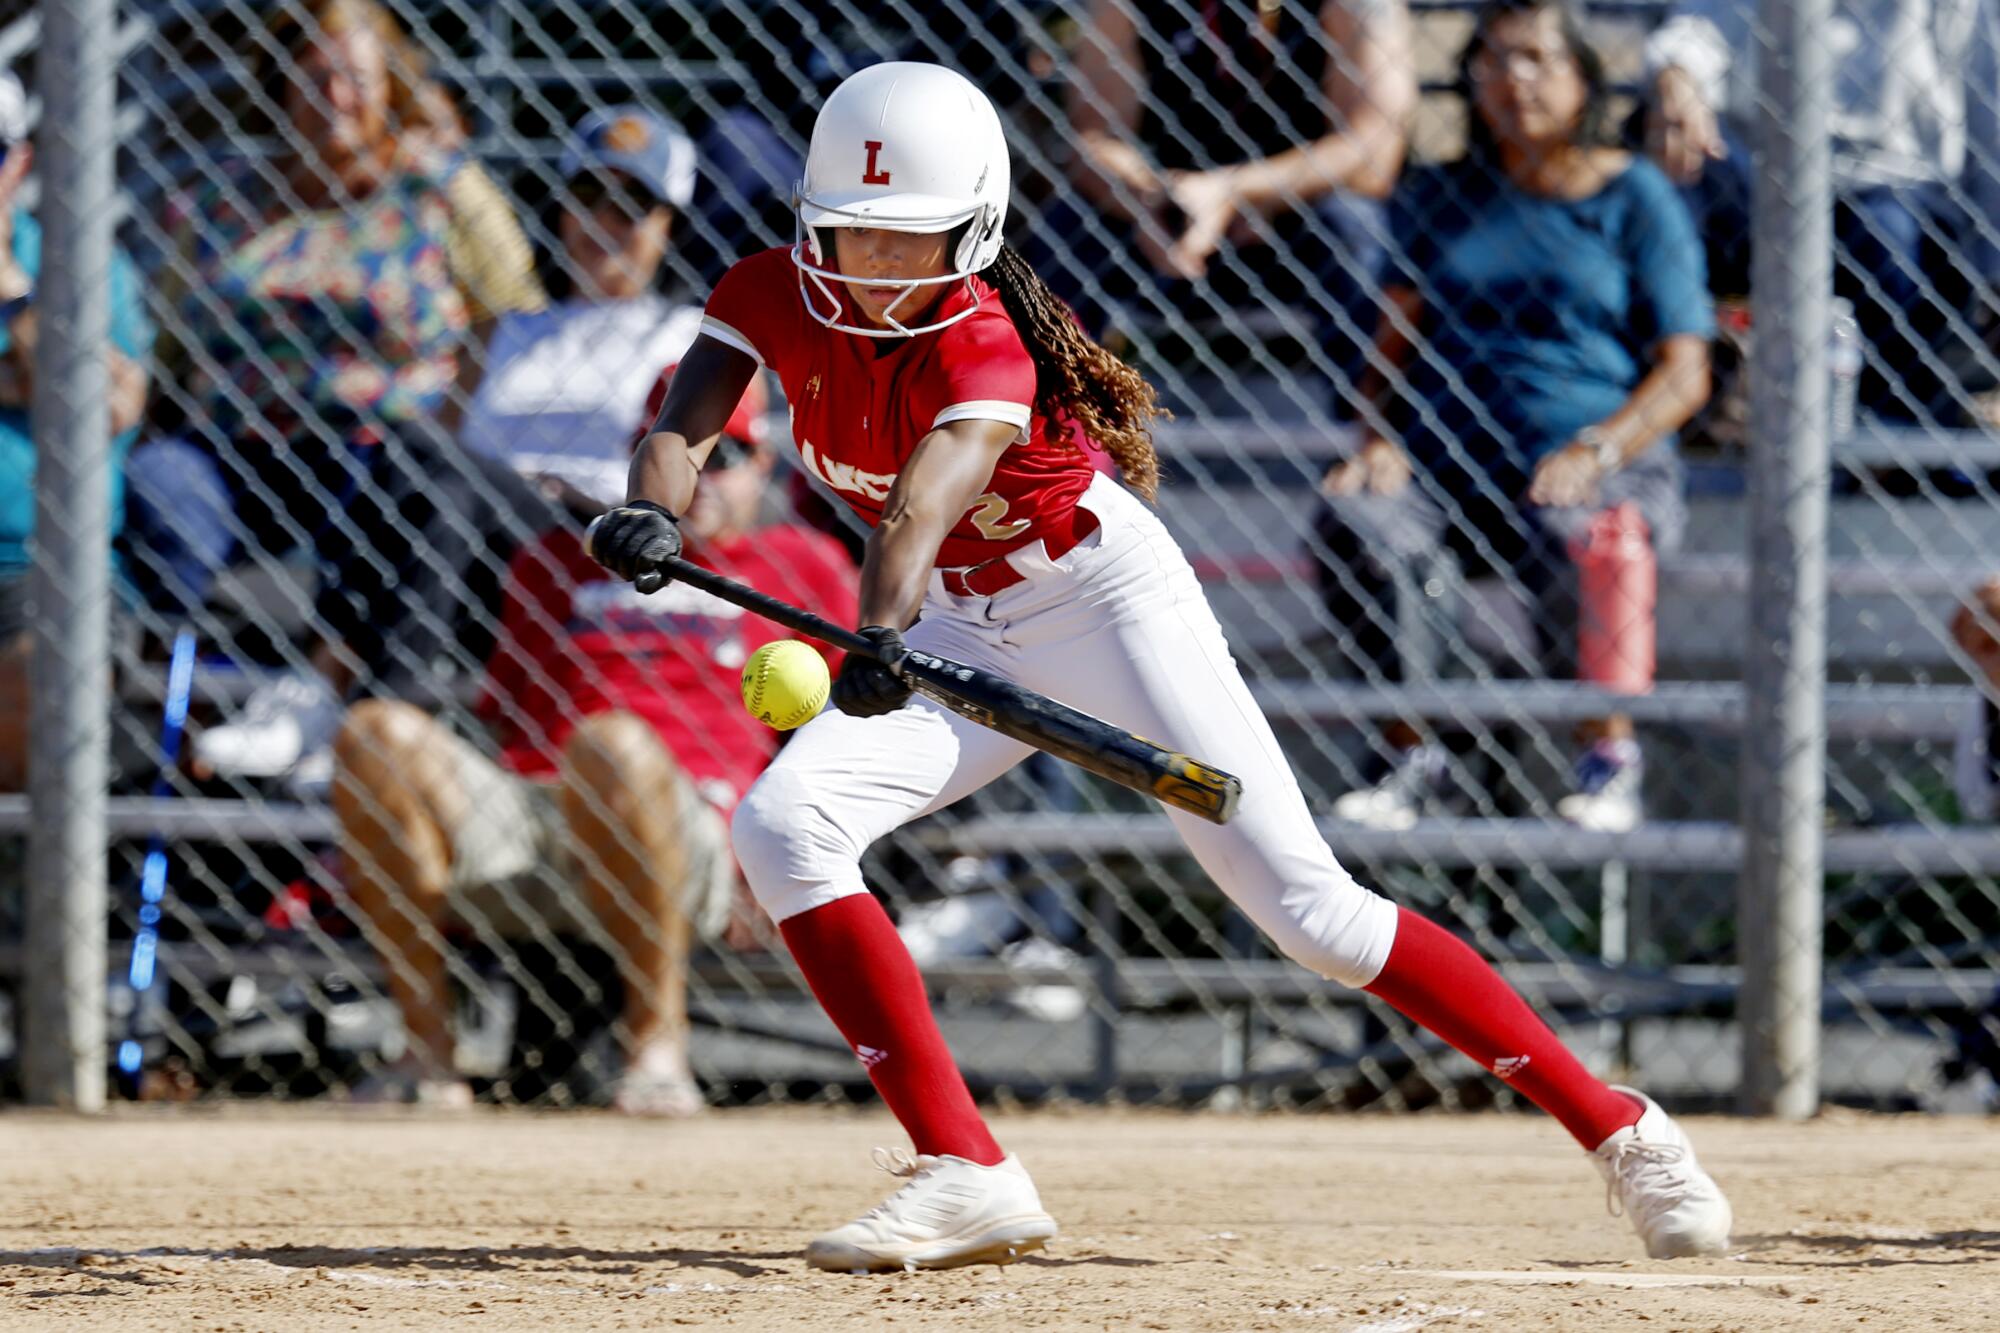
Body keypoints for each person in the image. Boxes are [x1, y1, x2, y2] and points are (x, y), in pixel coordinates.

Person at [588, 60, 1732, 1273]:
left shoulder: (985, 348)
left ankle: (1622, 1130)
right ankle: (964, 1169)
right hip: (954, 628)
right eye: (846, 236)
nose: (867, 272)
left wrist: (877, 641)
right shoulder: (767, 291)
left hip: (1097, 598)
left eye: (902, 243)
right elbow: (681, 430)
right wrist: (650, 511)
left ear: (970, 234)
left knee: (1310, 914)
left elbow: (915, 517)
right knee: (785, 826)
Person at [333, 378, 856, 1110]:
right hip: (537, 814)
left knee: (610, 745)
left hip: (689, 824)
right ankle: (427, 1056)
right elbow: (507, 717)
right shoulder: (558, 560)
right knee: (376, 732)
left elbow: (855, 729)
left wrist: (781, 849)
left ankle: (656, 1049)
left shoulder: (802, 565)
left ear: (766, 465)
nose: (700, 474)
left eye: (728, 453)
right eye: (677, 453)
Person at [1313, 0, 1714, 833]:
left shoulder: (1634, 196)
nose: (1512, 78)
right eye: (1493, 59)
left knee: (1589, 532)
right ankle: (1411, 751)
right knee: (1358, 517)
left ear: (1583, 79)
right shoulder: (1440, 195)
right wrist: (1377, 439)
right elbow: (1390, 348)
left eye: (1535, 58)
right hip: (1448, 463)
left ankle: (1607, 756)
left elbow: (1686, 373)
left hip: (1595, 459)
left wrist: (1600, 448)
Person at [127, 0, 547, 780]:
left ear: (388, 86)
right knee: (157, 482)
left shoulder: (436, 189)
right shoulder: (222, 197)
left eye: (353, 78)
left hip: (378, 450)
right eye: (312, 77)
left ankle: (326, 685)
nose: (333, 97)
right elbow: (173, 350)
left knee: (401, 476)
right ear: (280, 87)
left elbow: (515, 315)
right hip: (240, 452)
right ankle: (155, 712)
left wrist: (456, 414)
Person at [1642, 0, 2000, 425]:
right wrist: (1678, 78)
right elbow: (1702, 29)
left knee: (1890, 234)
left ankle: (1885, 432)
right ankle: (1677, 389)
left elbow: (1989, 118)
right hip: (1759, 164)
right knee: (1674, 176)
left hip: (1892, 177)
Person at [1052, 0, 1416, 401]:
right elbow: (1091, 140)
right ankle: (1056, 427)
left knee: (1353, 223)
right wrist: (1148, 198)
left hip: (1297, 213)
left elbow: (1374, 154)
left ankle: (1371, 428)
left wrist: (1234, 192)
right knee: (1069, 225)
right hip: (1172, 216)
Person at [0, 68, 153, 791]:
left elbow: (107, 404)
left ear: (19, 163)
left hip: (44, 570)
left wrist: (13, 298)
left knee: (48, 676)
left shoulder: (81, 267)